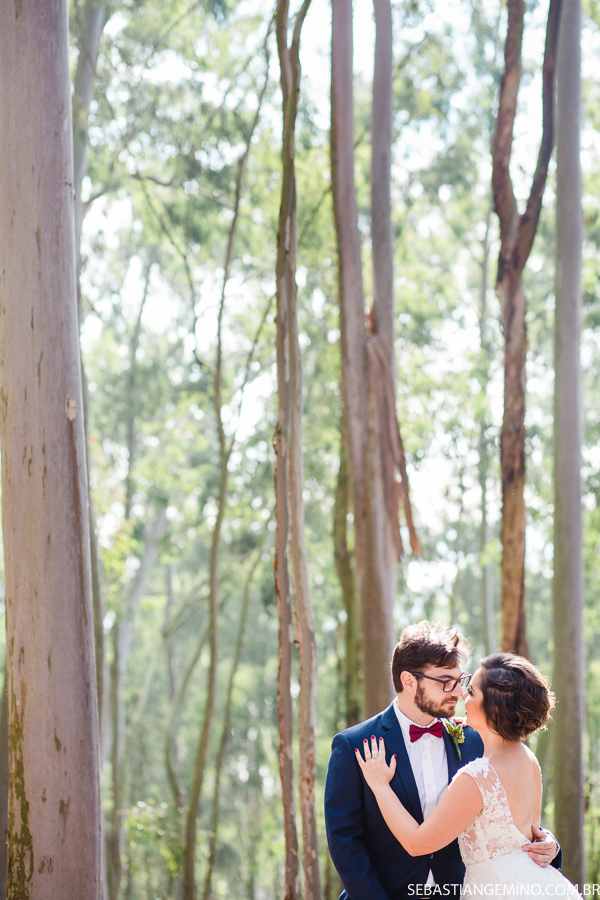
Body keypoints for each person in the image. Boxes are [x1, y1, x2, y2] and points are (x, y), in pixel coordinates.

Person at [324, 622, 560, 900]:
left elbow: (503, 815)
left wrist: (548, 843)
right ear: (409, 681)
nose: (458, 692)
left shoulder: (476, 739)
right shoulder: (354, 745)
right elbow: (344, 841)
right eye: (446, 681)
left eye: (460, 681)